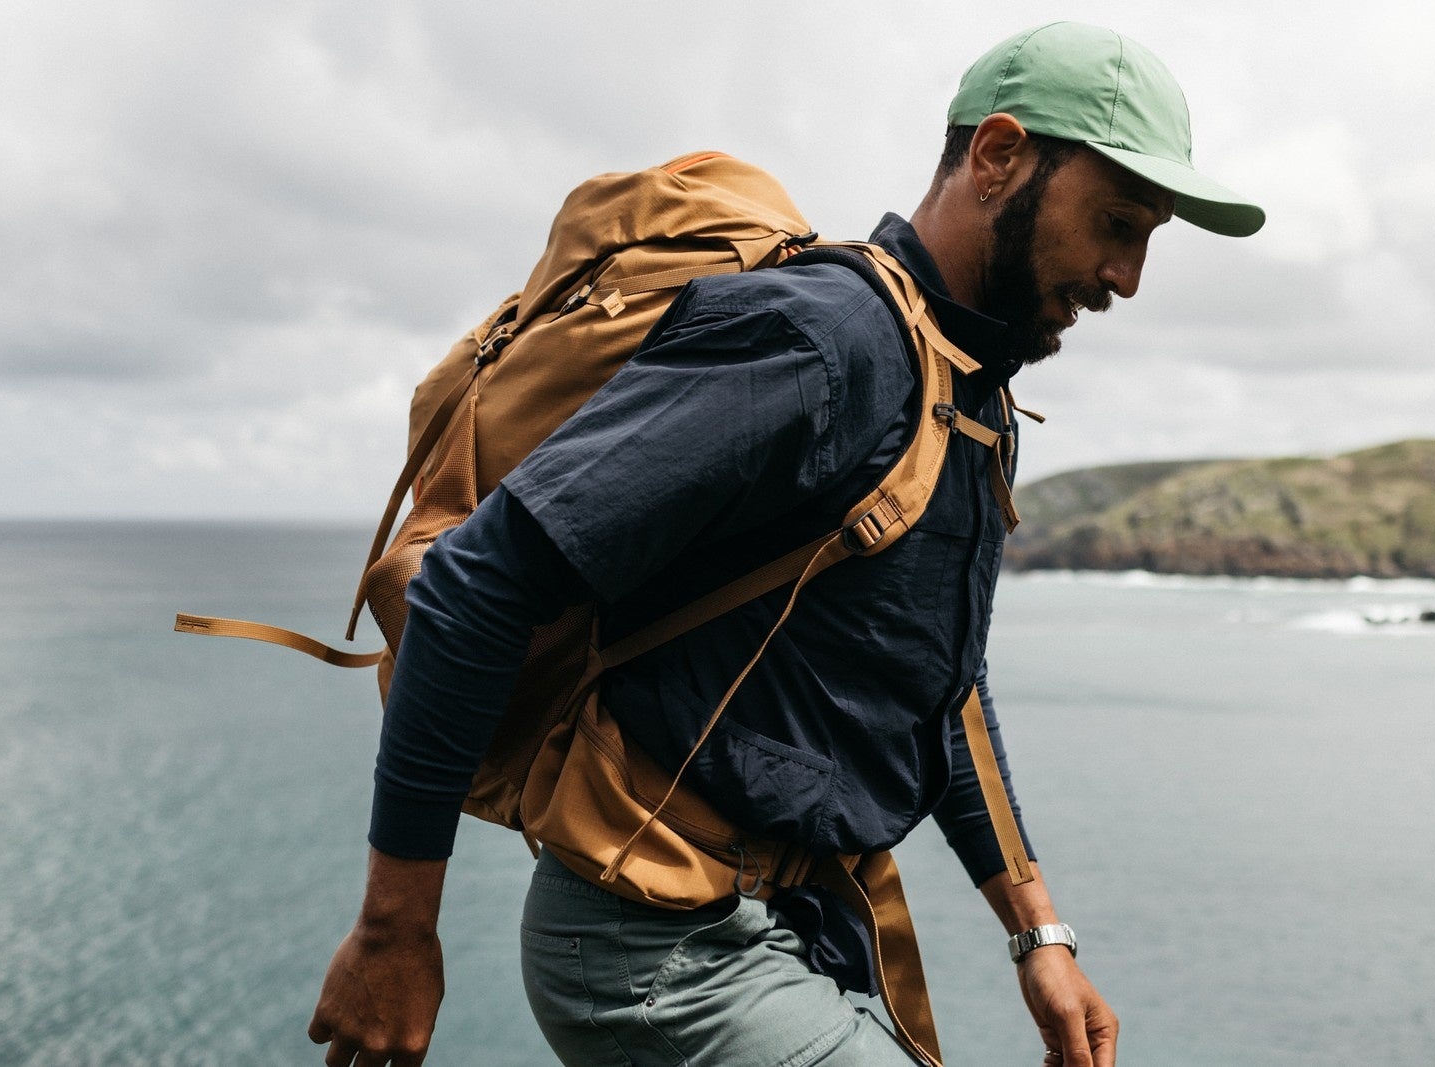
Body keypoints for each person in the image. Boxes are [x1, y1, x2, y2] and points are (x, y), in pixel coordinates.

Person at [308, 21, 1263, 1067]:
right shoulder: (822, 341)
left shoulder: (965, 396)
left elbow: (935, 686)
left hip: (795, 929)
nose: (1125, 275)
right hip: (654, 949)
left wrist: (1036, 933)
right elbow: (473, 586)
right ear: (996, 157)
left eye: (1147, 238)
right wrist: (396, 930)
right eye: (1116, 221)